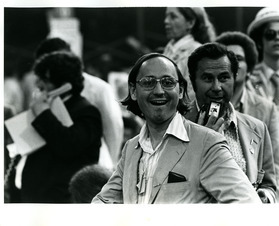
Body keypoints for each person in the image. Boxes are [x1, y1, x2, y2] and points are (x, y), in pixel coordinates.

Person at [92, 53, 262, 204]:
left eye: (167, 82)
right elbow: (103, 202)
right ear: (134, 91)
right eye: (148, 82)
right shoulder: (131, 148)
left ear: (180, 91)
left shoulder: (207, 143)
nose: (159, 91)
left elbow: (248, 203)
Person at [186, 43, 277, 203]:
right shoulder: (176, 125)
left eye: (223, 78)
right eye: (207, 78)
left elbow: (269, 185)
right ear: (193, 82)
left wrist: (263, 198)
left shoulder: (257, 128)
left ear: (234, 79)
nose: (216, 87)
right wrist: (200, 144)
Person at [22, 37, 124, 168]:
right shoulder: (42, 90)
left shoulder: (99, 89)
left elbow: (113, 129)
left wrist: (112, 162)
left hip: (91, 164)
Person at [20, 51, 102, 203]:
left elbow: (68, 145)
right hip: (36, 199)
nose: (38, 84)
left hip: (62, 200)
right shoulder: (45, 107)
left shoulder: (87, 112)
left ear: (64, 85)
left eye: (45, 79)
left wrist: (43, 113)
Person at [215, 31, 279, 202]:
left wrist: (270, 201)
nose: (232, 64)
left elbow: (275, 169)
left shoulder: (266, 109)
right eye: (227, 58)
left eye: (238, 58)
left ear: (250, 67)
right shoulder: (204, 104)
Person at [247, 7, 279, 202]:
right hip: (266, 164)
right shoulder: (251, 81)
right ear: (260, 41)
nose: (278, 39)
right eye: (270, 34)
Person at [163, 7, 216, 102]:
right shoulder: (169, 50)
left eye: (173, 17)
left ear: (190, 23)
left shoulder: (198, 52)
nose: (166, 21)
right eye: (166, 16)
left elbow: (193, 94)